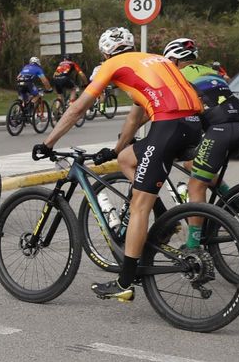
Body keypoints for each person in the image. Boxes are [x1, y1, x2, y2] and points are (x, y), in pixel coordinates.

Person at [37, 27, 205, 302]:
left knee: (139, 205)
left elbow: (78, 108)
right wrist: (116, 150)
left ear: (105, 53)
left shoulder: (112, 64)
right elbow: (137, 116)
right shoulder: (156, 59)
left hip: (168, 126)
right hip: (193, 124)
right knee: (127, 158)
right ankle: (165, 221)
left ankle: (125, 282)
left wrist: (49, 142)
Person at [164, 37, 239, 206]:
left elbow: (173, 111)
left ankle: (196, 233)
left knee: (195, 186)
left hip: (221, 129)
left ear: (173, 60)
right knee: (192, 164)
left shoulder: (177, 76)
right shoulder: (211, 71)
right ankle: (232, 201)